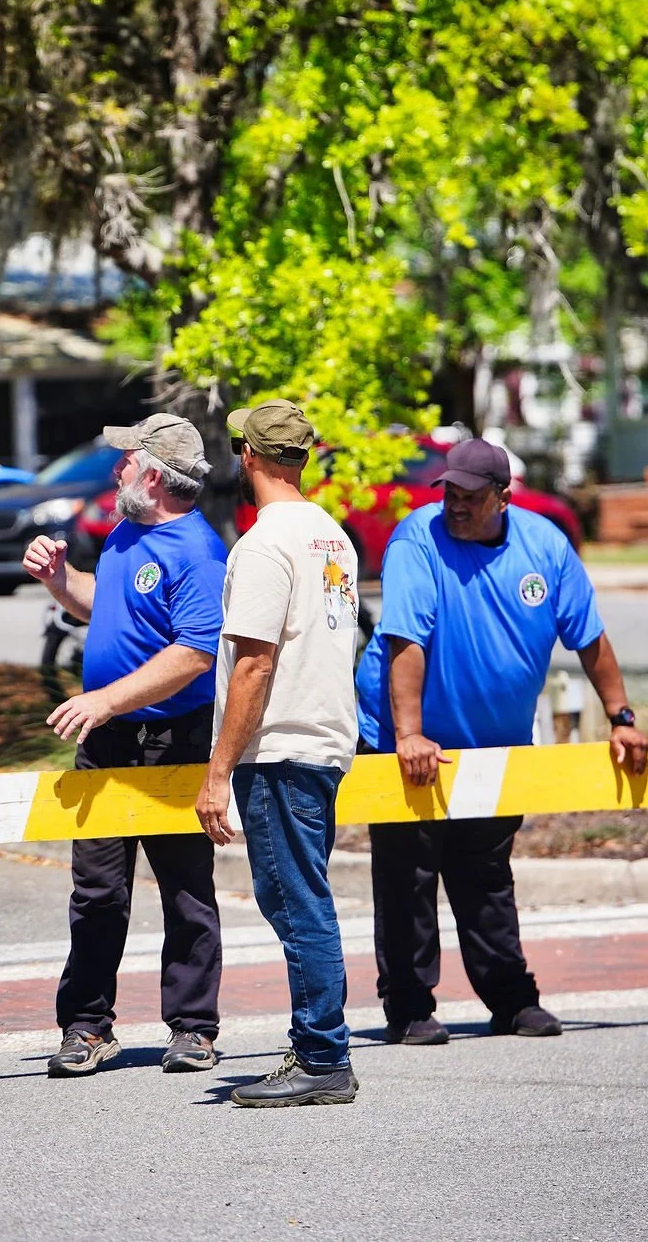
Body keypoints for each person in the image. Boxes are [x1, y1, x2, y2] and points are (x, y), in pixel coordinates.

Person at [354, 437, 648, 1045]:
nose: (455, 507)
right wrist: (408, 735)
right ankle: (408, 1005)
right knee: (408, 875)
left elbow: (589, 639)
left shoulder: (545, 546)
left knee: (486, 873)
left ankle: (512, 999)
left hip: (496, 744)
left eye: (470, 497)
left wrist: (621, 717)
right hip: (403, 736)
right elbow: (405, 640)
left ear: (503, 497)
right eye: (449, 495)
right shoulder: (418, 539)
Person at [21, 414, 230, 1078]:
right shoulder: (125, 532)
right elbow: (104, 603)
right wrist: (60, 580)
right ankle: (87, 1025)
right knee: (97, 891)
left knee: (186, 890)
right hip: (107, 742)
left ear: (155, 477)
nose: (115, 469)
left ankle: (193, 1028)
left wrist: (106, 698)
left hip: (174, 738)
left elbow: (195, 653)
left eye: (126, 460)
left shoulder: (197, 550)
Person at [195, 400, 364, 1108]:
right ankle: (317, 1045)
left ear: (248, 455)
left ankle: (323, 1053)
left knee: (296, 901)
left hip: (283, 742)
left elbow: (255, 665)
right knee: (303, 895)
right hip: (322, 737)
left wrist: (217, 772)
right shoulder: (332, 535)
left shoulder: (264, 545)